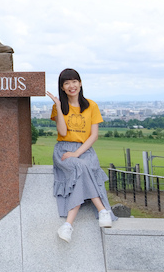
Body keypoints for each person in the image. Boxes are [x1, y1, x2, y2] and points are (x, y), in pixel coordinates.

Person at [46, 68, 115, 242]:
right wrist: (60, 108)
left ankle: (68, 225)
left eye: (74, 81)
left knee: (82, 168)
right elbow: (62, 131)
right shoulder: (58, 107)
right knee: (81, 167)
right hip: (64, 150)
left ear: (80, 83)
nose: (71, 86)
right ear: (62, 87)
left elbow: (94, 135)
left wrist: (77, 153)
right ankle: (102, 210)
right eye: (67, 83)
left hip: (85, 150)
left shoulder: (91, 105)